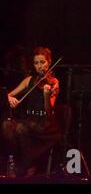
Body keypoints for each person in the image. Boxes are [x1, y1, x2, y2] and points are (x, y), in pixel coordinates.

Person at [1, 46, 61, 177]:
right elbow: (6, 95)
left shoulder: (54, 82)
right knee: (6, 125)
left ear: (49, 62)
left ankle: (26, 165)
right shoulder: (29, 80)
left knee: (20, 128)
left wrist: (46, 95)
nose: (40, 66)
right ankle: (15, 161)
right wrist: (10, 98)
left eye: (42, 62)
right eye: (36, 63)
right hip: (30, 120)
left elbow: (49, 111)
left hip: (45, 124)